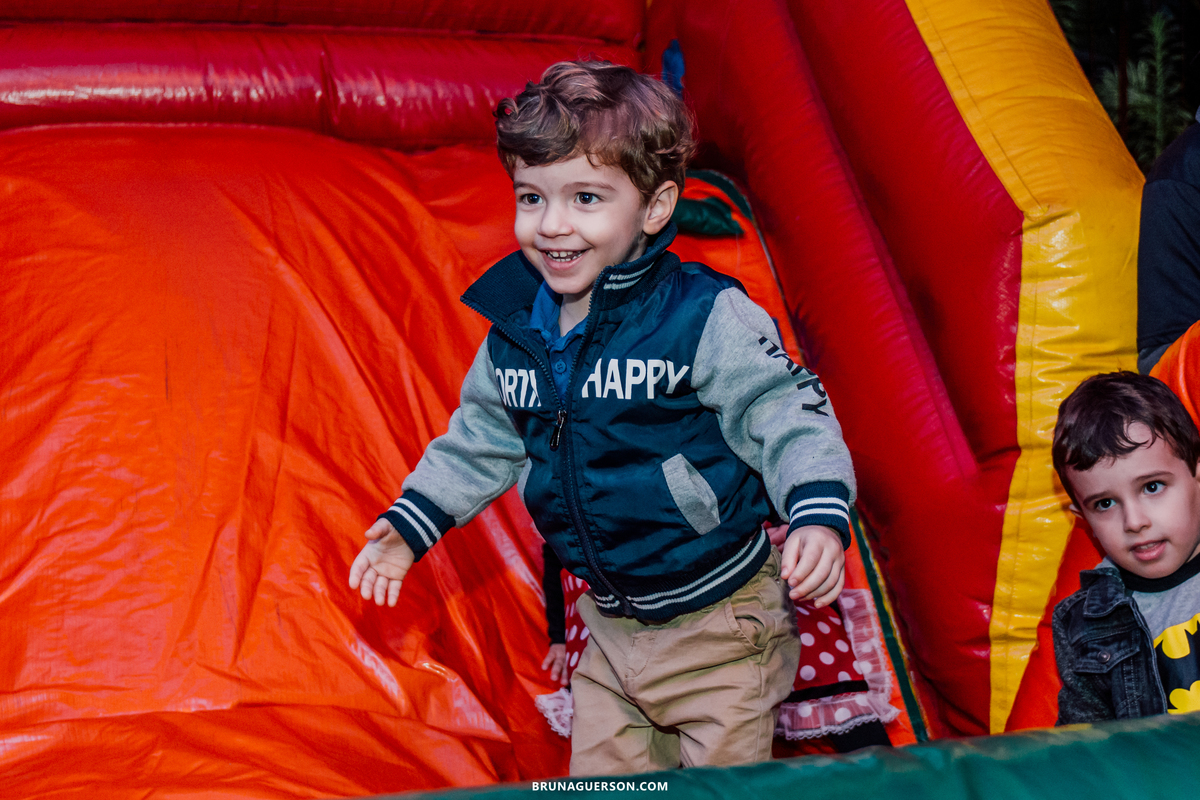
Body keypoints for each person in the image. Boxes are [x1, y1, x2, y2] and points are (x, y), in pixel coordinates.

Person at [348, 60, 856, 774]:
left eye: (585, 198)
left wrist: (817, 512)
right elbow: (479, 441)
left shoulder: (700, 315)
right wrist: (408, 529)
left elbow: (785, 410)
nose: (551, 224)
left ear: (653, 207)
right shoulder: (518, 332)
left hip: (722, 623)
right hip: (611, 630)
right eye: (532, 197)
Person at [1051, 371, 1200, 724]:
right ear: (1082, 517)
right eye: (1104, 504)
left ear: (1197, 473)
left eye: (1152, 487)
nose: (1134, 522)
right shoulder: (1086, 623)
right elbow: (1087, 748)